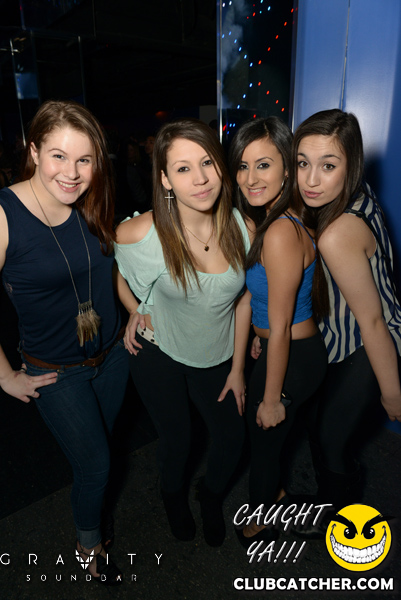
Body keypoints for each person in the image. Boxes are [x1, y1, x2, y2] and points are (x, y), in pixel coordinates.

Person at [0, 100, 129, 584]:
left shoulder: (93, 200)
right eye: (58, 156)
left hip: (112, 357)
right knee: (96, 466)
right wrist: (5, 376)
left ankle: (94, 513)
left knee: (101, 454)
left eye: (84, 160)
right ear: (34, 151)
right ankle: (88, 544)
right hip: (54, 372)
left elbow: (110, 267)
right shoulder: (5, 213)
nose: (72, 173)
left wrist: (135, 311)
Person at [114, 117, 251, 547]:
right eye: (183, 168)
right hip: (159, 352)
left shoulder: (243, 227)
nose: (200, 178)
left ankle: (210, 496)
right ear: (165, 179)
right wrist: (135, 309)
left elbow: (243, 300)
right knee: (178, 441)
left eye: (207, 162)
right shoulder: (143, 232)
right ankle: (172, 496)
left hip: (216, 354)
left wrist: (238, 369)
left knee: (231, 438)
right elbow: (117, 270)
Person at [292, 108, 401, 523]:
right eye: (302, 163)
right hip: (344, 336)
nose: (311, 179)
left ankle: (341, 519)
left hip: (368, 344)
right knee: (320, 427)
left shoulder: (337, 233)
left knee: (330, 439)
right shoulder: (356, 194)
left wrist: (392, 392)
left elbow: (373, 322)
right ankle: (334, 499)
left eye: (328, 165)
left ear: (351, 164)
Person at [228, 117, 327, 547]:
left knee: (264, 443)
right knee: (269, 442)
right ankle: (277, 496)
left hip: (293, 355)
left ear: (287, 169)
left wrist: (271, 399)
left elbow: (283, 324)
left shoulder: (281, 231)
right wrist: (259, 332)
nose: (250, 178)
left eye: (263, 165)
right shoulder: (278, 220)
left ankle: (258, 524)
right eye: (243, 165)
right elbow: (270, 303)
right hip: (286, 347)